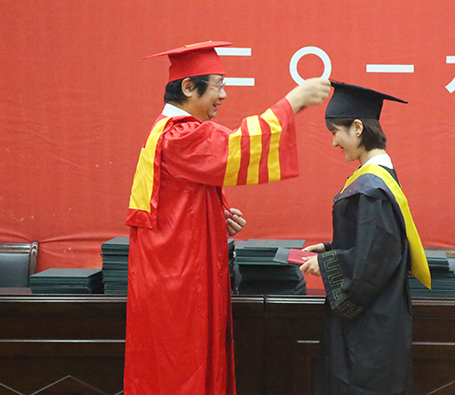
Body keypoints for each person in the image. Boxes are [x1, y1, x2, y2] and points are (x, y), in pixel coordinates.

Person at [124, 40, 330, 395]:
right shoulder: (177, 134)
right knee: (181, 370)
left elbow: (175, 201)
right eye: (218, 85)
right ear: (189, 87)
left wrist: (213, 217)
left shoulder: (168, 130)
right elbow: (236, 147)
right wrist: (292, 102)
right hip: (176, 283)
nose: (224, 94)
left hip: (174, 273)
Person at [300, 81, 431, 395]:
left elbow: (374, 260)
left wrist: (326, 263)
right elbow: (375, 243)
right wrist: (331, 249)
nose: (334, 142)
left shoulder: (372, 189)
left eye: (336, 132)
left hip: (369, 327)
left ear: (357, 128)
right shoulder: (377, 180)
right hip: (377, 317)